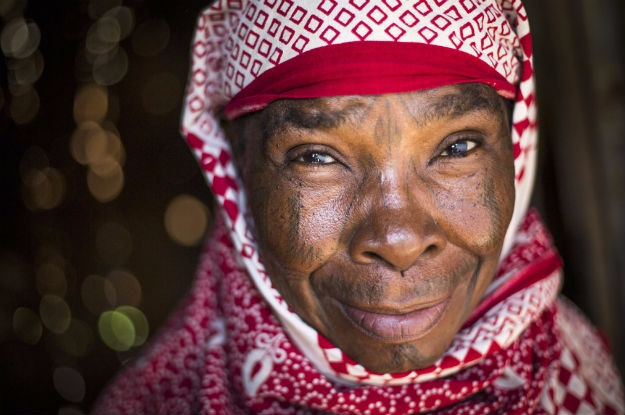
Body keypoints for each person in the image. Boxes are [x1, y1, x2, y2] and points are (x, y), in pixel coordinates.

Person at [93, 1, 624, 414]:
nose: (399, 239)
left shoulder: (581, 373)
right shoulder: (158, 402)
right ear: (235, 162)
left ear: (515, 149)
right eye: (318, 157)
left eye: (457, 147)